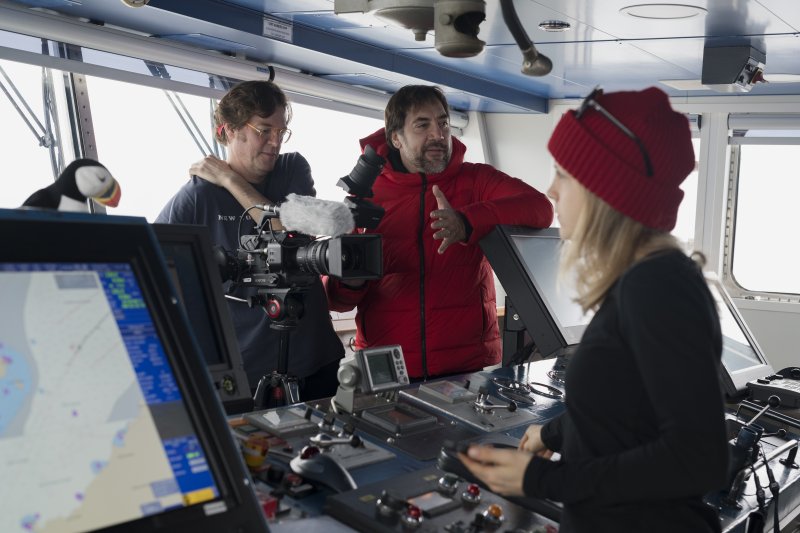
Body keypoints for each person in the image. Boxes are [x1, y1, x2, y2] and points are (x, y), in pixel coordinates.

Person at [459, 87, 729, 532]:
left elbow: (698, 458)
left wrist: (541, 479)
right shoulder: (642, 280)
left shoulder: (658, 288)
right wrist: (552, 433)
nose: (551, 190)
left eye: (563, 175)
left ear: (606, 192)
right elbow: (624, 406)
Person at [324, 85, 553, 380]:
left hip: (467, 364)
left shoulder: (477, 180)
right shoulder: (365, 196)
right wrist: (351, 281)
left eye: (443, 123)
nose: (438, 134)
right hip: (389, 368)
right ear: (396, 138)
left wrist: (468, 221)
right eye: (422, 125)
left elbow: (540, 209)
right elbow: (339, 301)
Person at [155, 80, 344, 401]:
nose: (275, 142)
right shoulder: (197, 197)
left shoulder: (292, 168)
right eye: (264, 130)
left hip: (314, 360)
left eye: (281, 132)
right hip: (247, 369)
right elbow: (157, 268)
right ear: (229, 131)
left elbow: (289, 230)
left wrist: (230, 179)